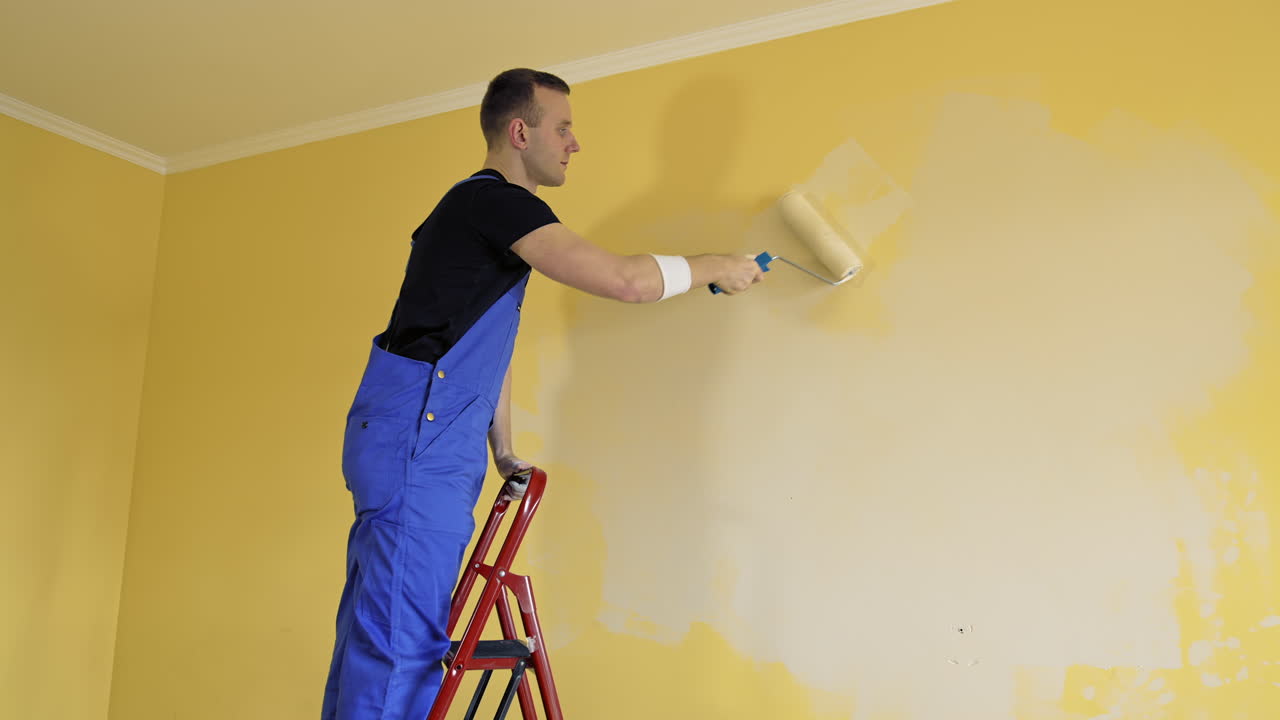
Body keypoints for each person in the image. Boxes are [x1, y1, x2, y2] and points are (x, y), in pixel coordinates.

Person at [320, 67, 764, 720]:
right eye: (564, 128)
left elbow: (476, 346)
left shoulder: (475, 220)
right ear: (520, 131)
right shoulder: (496, 203)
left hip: (420, 439)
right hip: (419, 442)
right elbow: (623, 280)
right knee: (399, 650)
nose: (574, 143)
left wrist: (502, 448)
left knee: (376, 636)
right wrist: (717, 267)